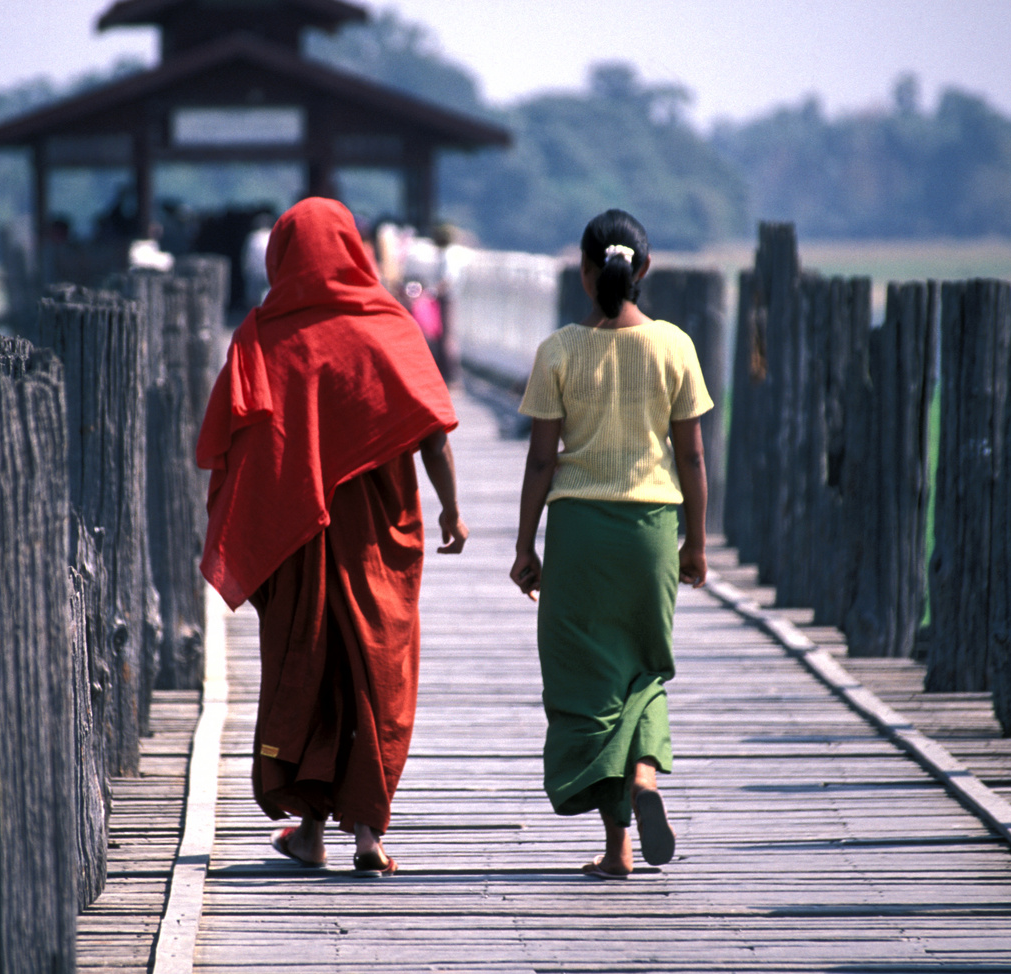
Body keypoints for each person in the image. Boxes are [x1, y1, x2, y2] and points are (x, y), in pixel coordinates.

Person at [197, 197, 469, 877]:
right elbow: (433, 430)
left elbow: (234, 443)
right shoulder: (389, 326)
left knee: (309, 665)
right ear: (354, 250)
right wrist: (450, 511)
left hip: (297, 537)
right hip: (378, 535)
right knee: (377, 666)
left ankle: (313, 828)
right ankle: (368, 834)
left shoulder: (261, 334)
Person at [509, 209, 711, 880]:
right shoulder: (674, 346)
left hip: (578, 536)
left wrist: (523, 546)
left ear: (584, 270)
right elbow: (693, 460)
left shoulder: (559, 350)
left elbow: (540, 462)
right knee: (645, 672)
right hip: (652, 531)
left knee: (587, 686)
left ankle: (618, 846)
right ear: (642, 270)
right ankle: (645, 776)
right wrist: (697, 545)